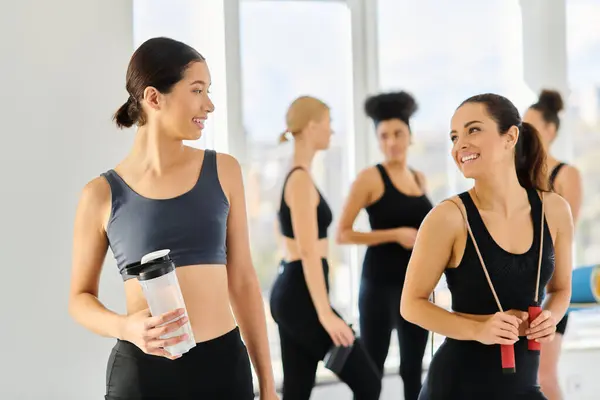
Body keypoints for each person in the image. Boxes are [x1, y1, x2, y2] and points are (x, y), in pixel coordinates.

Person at [68, 37, 278, 400]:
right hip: (143, 377)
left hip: (223, 369)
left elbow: (243, 281)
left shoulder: (224, 171)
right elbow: (79, 298)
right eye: (197, 90)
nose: (208, 105)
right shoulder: (100, 194)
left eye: (208, 91)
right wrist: (125, 327)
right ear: (153, 98)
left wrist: (269, 387)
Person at [401, 93, 573, 399]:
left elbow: (560, 290)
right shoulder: (448, 218)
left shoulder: (555, 210)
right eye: (454, 136)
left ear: (510, 137)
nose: (460, 145)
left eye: (473, 130)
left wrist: (551, 317)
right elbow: (411, 305)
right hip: (458, 387)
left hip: (523, 387)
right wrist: (478, 330)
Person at [269, 96, 381, 400]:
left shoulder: (293, 175)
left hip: (292, 290)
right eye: (329, 124)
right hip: (300, 294)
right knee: (369, 382)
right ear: (312, 126)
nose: (332, 132)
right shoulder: (300, 180)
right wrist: (326, 314)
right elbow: (307, 252)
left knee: (297, 389)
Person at [337, 91, 431, 400]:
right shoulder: (370, 178)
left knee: (413, 371)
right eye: (384, 135)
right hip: (378, 288)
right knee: (372, 375)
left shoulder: (419, 179)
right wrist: (394, 234)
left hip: (415, 287)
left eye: (398, 134)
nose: (391, 142)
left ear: (410, 136)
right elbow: (343, 234)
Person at [524, 89, 583, 400]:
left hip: (552, 287)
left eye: (530, 125)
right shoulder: (519, 177)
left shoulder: (566, 174)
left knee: (544, 376)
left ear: (549, 130)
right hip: (521, 285)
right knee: (521, 379)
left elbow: (563, 232)